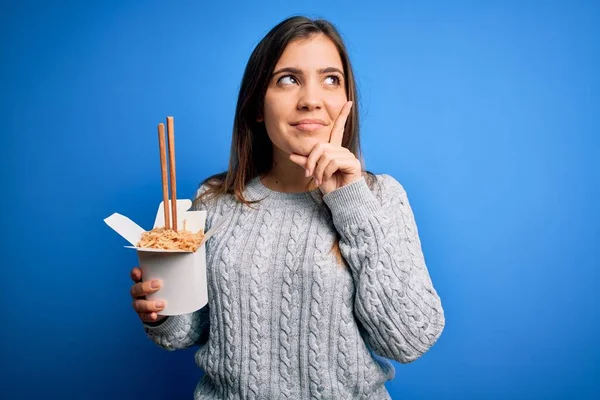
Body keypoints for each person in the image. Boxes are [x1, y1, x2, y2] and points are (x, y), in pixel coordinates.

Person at [129, 16, 445, 400]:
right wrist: (161, 310)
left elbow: (410, 341)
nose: (311, 98)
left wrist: (351, 202)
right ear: (258, 105)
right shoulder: (214, 200)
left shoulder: (381, 197)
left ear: (347, 101)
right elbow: (184, 333)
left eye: (331, 79)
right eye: (288, 79)